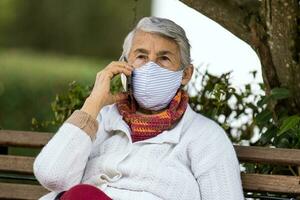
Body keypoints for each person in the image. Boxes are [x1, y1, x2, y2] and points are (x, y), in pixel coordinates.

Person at [33, 16, 244, 200]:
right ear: (124, 65)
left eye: (164, 58)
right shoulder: (102, 119)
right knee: (82, 196)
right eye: (141, 56)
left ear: (186, 74)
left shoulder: (204, 136)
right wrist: (93, 103)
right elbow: (52, 176)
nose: (151, 67)